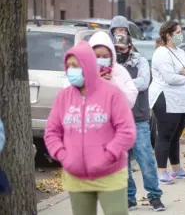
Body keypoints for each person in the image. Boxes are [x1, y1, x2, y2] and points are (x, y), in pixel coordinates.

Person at [44, 41, 136, 215]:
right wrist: (64, 156)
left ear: (87, 65)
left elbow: (127, 131)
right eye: (69, 65)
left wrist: (107, 155)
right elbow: (52, 132)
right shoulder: (64, 96)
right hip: (76, 176)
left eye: (76, 65)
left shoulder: (111, 93)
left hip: (110, 174)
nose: (71, 70)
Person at [109, 15, 165, 212]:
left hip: (138, 118)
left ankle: (154, 196)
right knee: (122, 162)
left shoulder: (139, 59)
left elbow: (143, 82)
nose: (120, 36)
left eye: (123, 31)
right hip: (116, 121)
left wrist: (120, 84)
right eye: (116, 32)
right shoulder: (109, 61)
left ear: (129, 35)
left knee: (146, 160)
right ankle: (129, 197)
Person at [149, 21, 185, 184]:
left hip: (181, 100)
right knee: (165, 135)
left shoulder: (181, 52)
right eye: (178, 32)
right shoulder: (161, 53)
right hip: (165, 98)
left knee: (176, 135)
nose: (181, 35)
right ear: (168, 35)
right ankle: (162, 171)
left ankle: (176, 169)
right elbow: (170, 78)